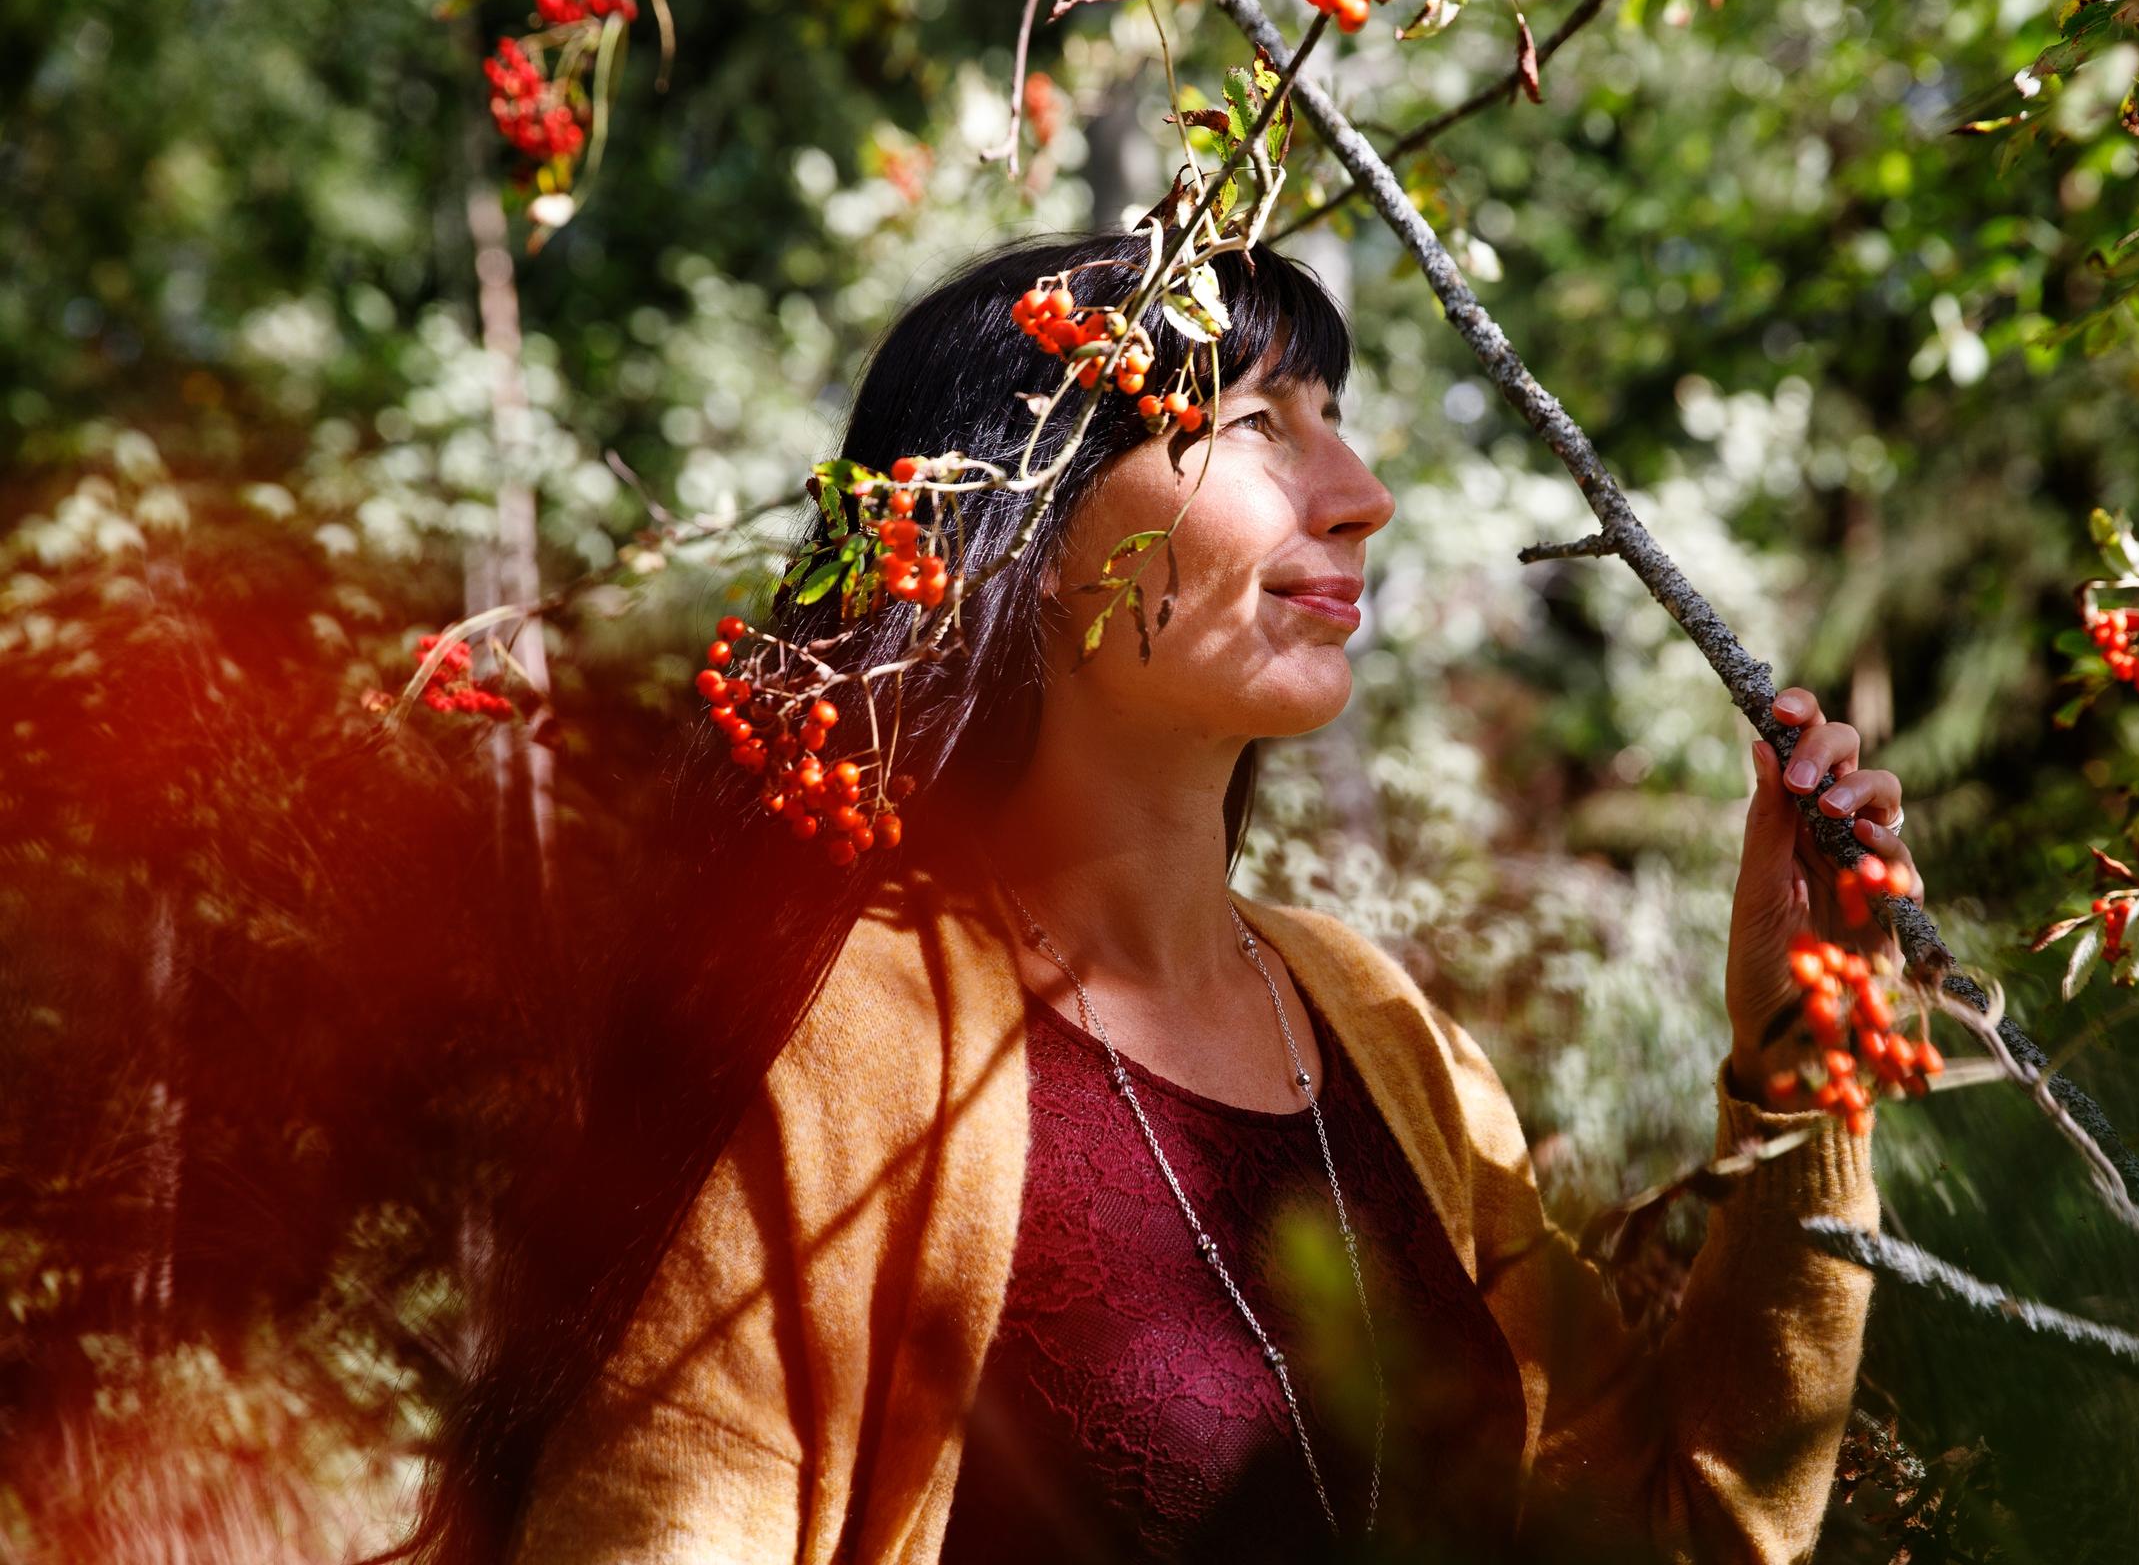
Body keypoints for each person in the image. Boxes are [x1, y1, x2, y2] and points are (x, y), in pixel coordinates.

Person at [400, 228, 1916, 1565]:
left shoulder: (1378, 1029)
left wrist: (1805, 1065)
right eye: (1257, 424)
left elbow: (1671, 1529)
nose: (1363, 497)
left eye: (1336, 422)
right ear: (1031, 526)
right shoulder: (839, 1043)